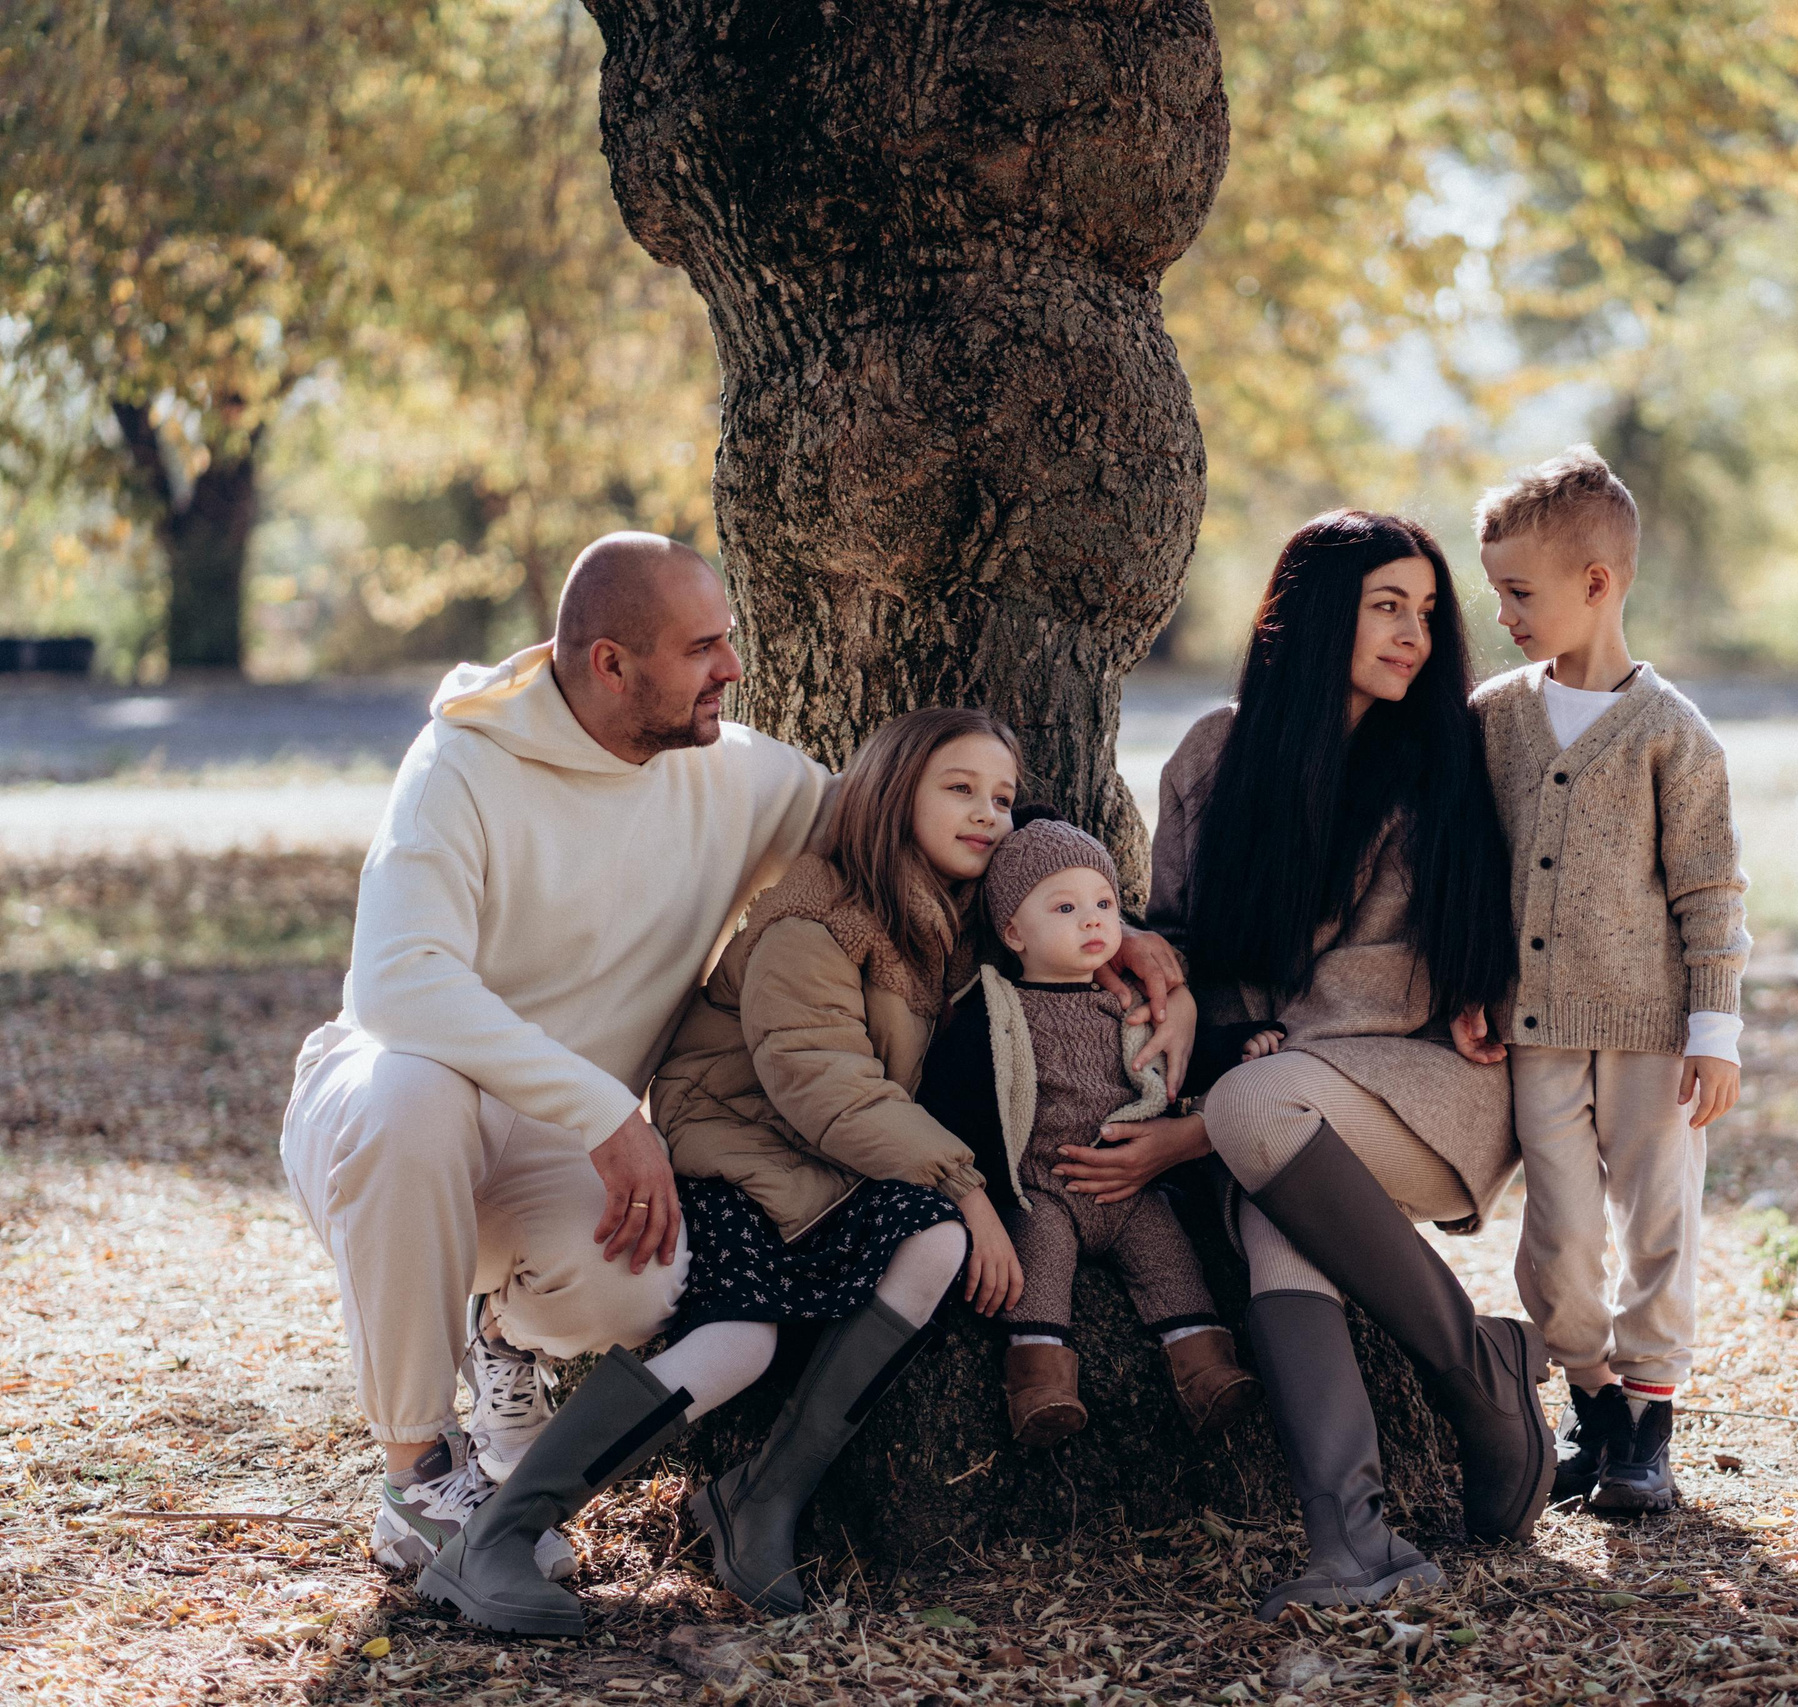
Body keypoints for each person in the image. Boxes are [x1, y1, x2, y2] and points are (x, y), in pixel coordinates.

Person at [416, 708, 1190, 1633]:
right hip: (743, 1148)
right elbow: (821, 1085)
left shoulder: (955, 916)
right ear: (893, 792)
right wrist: (970, 1187)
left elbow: (1062, 895)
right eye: (960, 789)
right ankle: (498, 1533)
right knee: (746, 1341)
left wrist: (1140, 946)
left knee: (931, 1244)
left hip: (833, 1159)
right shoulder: (818, 914)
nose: (989, 813)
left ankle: (765, 1499)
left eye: (1002, 796)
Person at [278, 533, 829, 1590]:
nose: (733, 668)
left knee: (639, 1280)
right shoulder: (461, 762)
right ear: (611, 663)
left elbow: (894, 822)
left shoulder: (737, 773)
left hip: (550, 1145)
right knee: (416, 1097)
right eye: (703, 646)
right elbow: (400, 984)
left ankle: (505, 1339)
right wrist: (608, 1114)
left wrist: (1089, 912)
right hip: (382, 1106)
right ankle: (417, 1475)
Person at [1084, 509, 1553, 1619]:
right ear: (1310, 613)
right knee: (1266, 1222)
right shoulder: (1214, 753)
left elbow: (1487, 955)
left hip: (1428, 1092)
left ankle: (1480, 1380)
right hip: (1284, 1116)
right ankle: (1352, 1540)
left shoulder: (1443, 762)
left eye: (1427, 613)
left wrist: (1188, 1135)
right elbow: (1194, 932)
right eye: (1386, 606)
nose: (1413, 636)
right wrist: (1149, 946)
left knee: (1251, 1119)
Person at [1471, 445, 1749, 1515]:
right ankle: (1590, 1403)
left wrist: (1714, 1031)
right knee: (1559, 1234)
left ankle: (1650, 1426)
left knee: (1659, 1223)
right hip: (1533, 1027)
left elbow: (1709, 889)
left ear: (1596, 584)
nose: (1503, 614)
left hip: (1654, 1032)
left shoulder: (1673, 734)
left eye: (1518, 592)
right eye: (1496, 590)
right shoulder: (1494, 716)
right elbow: (1464, 865)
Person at [916, 807, 1258, 1447]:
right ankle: (1041, 1387)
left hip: (1133, 1192)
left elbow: (1177, 1056)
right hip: (1045, 1190)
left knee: (1173, 1265)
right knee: (1038, 1272)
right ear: (1014, 932)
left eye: (1104, 902)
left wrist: (1242, 1046)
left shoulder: (1124, 1003)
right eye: (1065, 909)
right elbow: (955, 1095)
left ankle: (1208, 1374)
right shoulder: (998, 1010)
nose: (1095, 919)